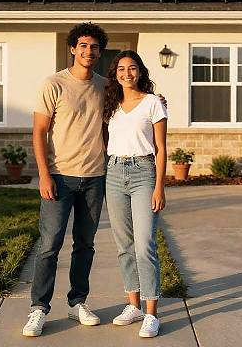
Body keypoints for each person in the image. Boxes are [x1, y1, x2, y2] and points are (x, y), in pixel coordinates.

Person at [22, 22, 108, 337]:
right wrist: (44, 174)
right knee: (49, 244)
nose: (88, 51)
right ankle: (39, 309)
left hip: (95, 178)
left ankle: (77, 303)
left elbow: (127, 112)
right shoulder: (54, 84)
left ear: (100, 52)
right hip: (59, 177)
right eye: (83, 45)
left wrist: (158, 101)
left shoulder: (104, 86)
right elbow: (39, 132)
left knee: (85, 244)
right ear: (73, 48)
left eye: (94, 46)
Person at [103, 50, 167, 338]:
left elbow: (162, 149)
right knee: (124, 245)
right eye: (120, 69)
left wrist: (159, 186)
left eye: (132, 68)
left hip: (144, 173)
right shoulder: (111, 105)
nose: (126, 73)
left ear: (140, 71)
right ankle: (134, 305)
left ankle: (152, 313)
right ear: (115, 74)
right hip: (114, 173)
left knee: (144, 246)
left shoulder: (153, 103)